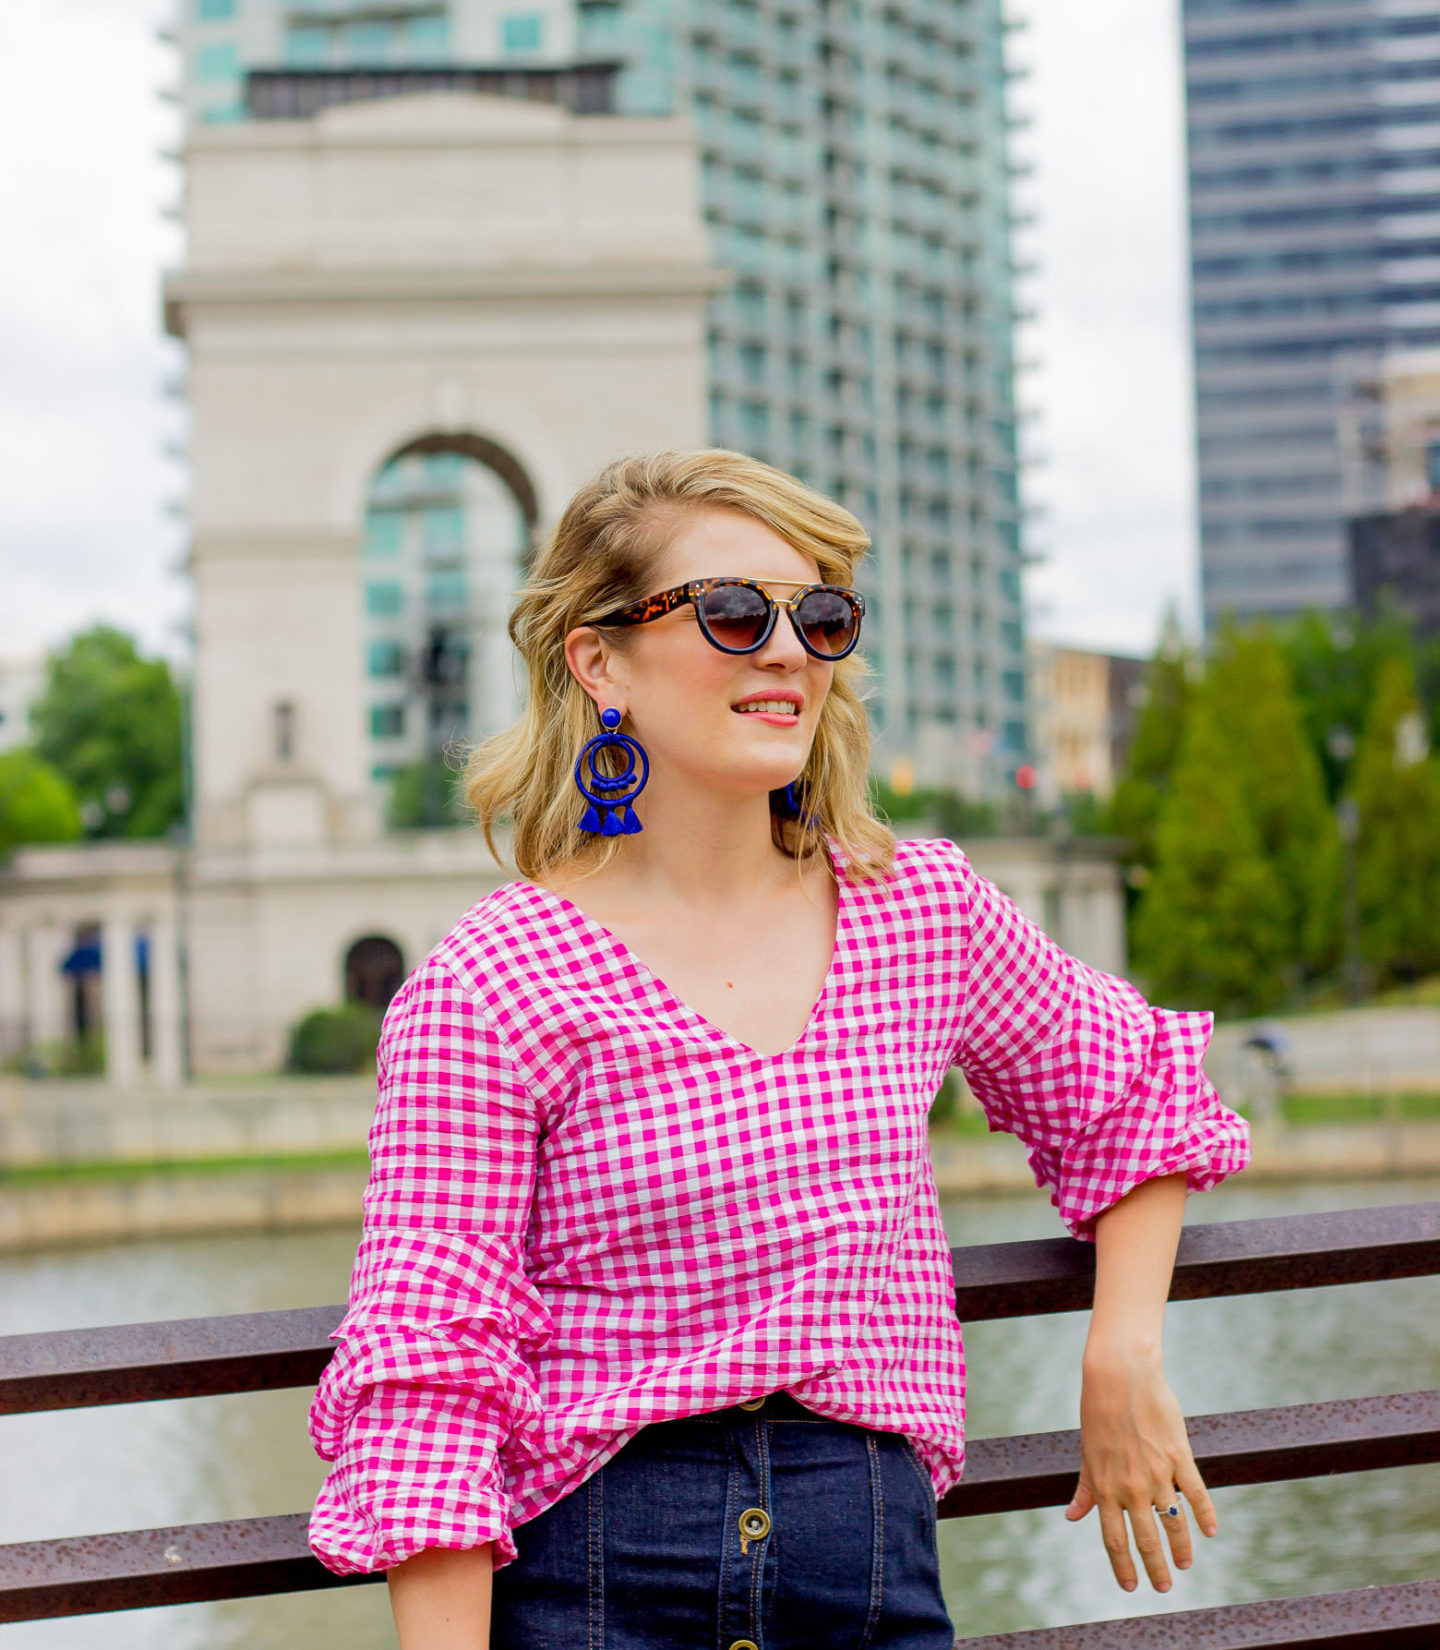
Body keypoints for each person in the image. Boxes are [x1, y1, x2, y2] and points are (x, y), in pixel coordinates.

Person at [306, 449, 1252, 1650]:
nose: (789, 651)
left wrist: (1121, 1350)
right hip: (600, 1586)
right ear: (600, 661)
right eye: (734, 613)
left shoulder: (919, 913)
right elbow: (430, 1370)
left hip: (869, 1578)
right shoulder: (493, 983)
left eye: (819, 616)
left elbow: (1130, 1094)